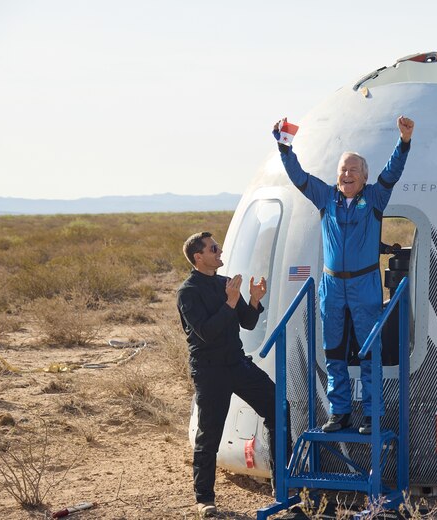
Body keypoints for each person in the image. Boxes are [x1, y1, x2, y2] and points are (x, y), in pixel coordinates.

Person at [273, 115, 414, 434]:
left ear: (364, 177)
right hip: (332, 285)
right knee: (334, 350)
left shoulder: (375, 198)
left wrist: (403, 142)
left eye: (353, 170)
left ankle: (372, 415)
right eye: (342, 170)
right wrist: (285, 149)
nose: (347, 174)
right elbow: (299, 177)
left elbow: (391, 173)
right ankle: (339, 413)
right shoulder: (326, 198)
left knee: (368, 350)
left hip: (365, 285)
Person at [176, 231, 275, 518]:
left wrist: (254, 299)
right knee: (210, 434)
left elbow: (247, 322)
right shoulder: (188, 292)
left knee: (277, 407)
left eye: (218, 247)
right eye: (213, 248)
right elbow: (205, 333)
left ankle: (282, 484)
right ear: (199, 257)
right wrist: (230, 302)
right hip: (210, 371)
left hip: (237, 364)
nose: (219, 252)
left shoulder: (224, 283)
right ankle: (204, 498)